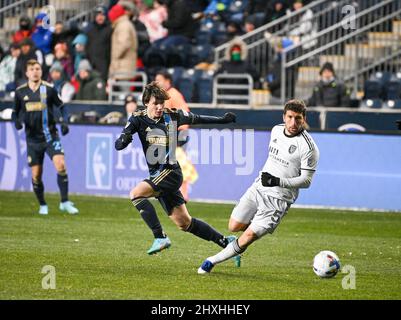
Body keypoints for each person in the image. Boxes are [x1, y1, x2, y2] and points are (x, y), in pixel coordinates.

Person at [114, 82, 240, 261]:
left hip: (171, 172)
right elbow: (120, 141)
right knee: (185, 223)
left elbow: (198, 118)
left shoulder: (173, 116)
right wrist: (124, 140)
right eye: (155, 103)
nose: (159, 107)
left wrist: (223, 120)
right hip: (157, 175)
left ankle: (160, 237)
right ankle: (227, 242)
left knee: (136, 194)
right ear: (146, 102)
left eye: (161, 103)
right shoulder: (137, 118)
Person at [198, 99, 320, 274]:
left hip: (278, 199)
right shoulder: (276, 130)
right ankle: (235, 246)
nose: (294, 123)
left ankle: (211, 262)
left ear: (304, 118)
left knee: (248, 237)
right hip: (258, 188)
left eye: (298, 118)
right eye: (290, 117)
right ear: (284, 117)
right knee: (233, 226)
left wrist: (278, 181)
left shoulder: (309, 147)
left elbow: (306, 181)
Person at [12, 59, 79, 215]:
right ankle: (43, 204)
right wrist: (16, 122)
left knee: (61, 165)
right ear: (27, 73)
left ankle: (65, 202)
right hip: (32, 140)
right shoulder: (20, 92)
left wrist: (64, 122)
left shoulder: (48, 89)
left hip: (50, 136)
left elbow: (62, 107)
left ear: (41, 71)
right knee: (36, 175)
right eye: (32, 69)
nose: (35, 71)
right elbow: (15, 111)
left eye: (38, 68)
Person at [108, 3, 137, 80]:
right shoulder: (123, 24)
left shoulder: (123, 25)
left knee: (123, 90)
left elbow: (124, 44)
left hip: (123, 66)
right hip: (123, 65)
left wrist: (115, 56)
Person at [85, 5, 112, 81]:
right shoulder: (90, 29)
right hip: (92, 63)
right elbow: (87, 46)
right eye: (98, 15)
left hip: (104, 64)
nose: (100, 17)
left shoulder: (109, 29)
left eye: (102, 15)